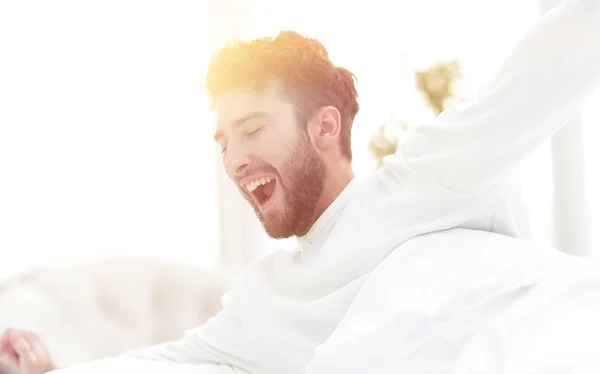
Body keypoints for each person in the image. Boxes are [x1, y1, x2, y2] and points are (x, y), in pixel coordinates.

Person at [2, 0, 600, 372]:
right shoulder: (264, 297)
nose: (234, 158)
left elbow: (545, 68)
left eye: (252, 128)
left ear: (325, 126)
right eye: (223, 142)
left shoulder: (426, 179)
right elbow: (179, 360)